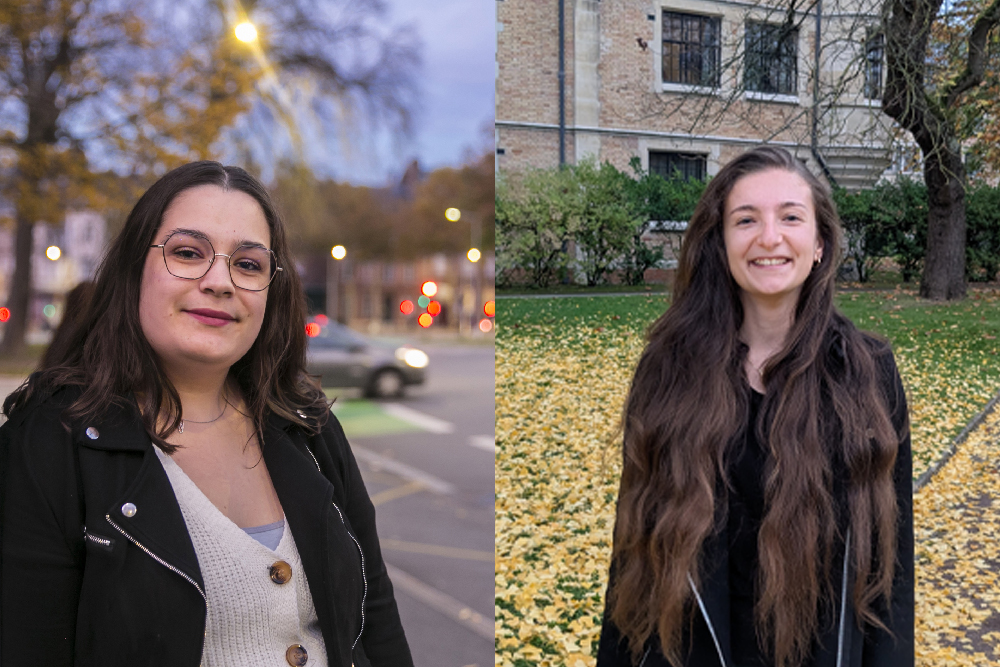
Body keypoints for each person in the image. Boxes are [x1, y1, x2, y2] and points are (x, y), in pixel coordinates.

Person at [0, 161, 413, 667]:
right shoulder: (48, 441)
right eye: (189, 253)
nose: (220, 281)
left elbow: (376, 616)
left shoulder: (308, 426)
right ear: (135, 269)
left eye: (248, 264)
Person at [596, 147, 913, 667]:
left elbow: (892, 571)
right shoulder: (668, 370)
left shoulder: (869, 373)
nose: (769, 237)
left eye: (791, 216)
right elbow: (632, 551)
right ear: (721, 243)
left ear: (819, 244)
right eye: (746, 220)